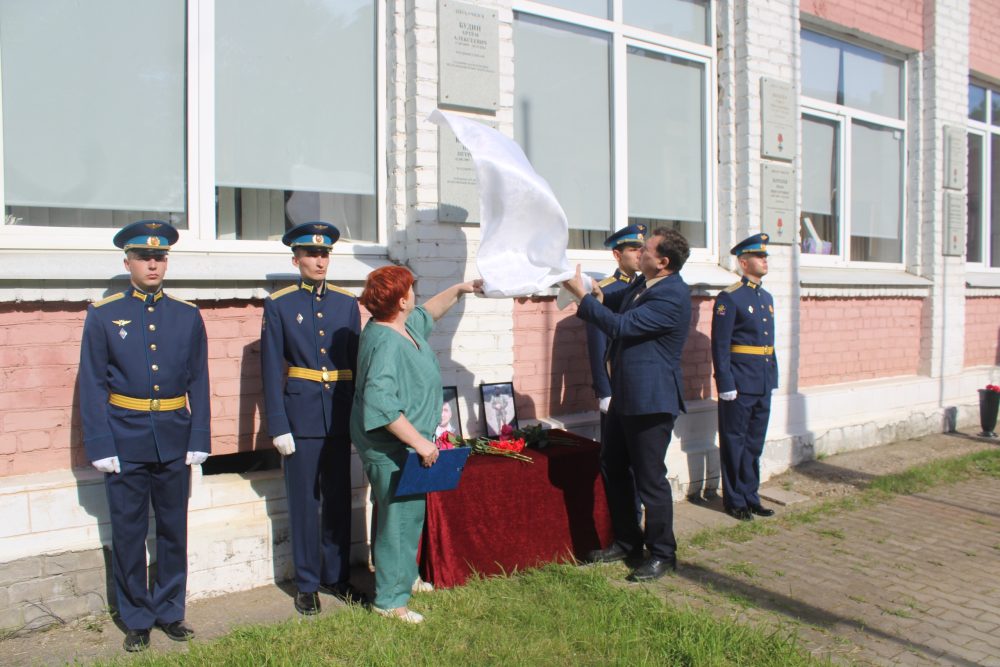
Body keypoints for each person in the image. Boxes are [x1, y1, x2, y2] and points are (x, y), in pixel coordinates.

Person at [78, 220, 210, 652]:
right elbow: (93, 383)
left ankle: (170, 610)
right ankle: (136, 616)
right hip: (125, 439)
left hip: (173, 434)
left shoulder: (187, 315)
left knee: (174, 529)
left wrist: (199, 437)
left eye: (160, 257)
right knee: (130, 532)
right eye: (144, 258)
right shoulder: (102, 315)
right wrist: (100, 445)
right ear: (127, 261)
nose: (153, 265)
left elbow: (199, 381)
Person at [351, 265, 481, 623]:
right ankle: (390, 602)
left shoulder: (401, 325)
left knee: (408, 515)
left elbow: (429, 314)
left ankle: (404, 578)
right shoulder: (385, 342)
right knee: (398, 519)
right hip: (392, 446)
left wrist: (461, 288)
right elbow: (381, 405)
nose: (416, 296)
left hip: (407, 446)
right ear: (402, 299)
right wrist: (422, 446)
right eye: (412, 290)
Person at [562, 227, 691, 582]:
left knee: (650, 479)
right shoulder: (643, 285)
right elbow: (617, 304)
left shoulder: (672, 295)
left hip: (651, 401)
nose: (638, 253)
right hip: (626, 396)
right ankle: (627, 541)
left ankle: (663, 553)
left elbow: (621, 327)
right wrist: (595, 292)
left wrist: (585, 300)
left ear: (662, 262)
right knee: (614, 467)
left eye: (645, 249)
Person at [260, 221, 363, 615]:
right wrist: (278, 424)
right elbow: (271, 369)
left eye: (324, 254)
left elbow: (353, 364)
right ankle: (306, 583)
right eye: (311, 254)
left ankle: (336, 576)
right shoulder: (280, 304)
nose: (319, 261)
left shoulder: (346, 303)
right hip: (300, 416)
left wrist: (357, 415)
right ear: (296, 259)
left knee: (338, 498)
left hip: (338, 413)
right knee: (304, 501)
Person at [711, 233, 779, 521]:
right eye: (759, 256)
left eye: (765, 256)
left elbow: (768, 343)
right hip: (739, 383)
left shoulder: (766, 297)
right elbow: (720, 345)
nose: (765, 260)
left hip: (761, 381)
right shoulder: (730, 298)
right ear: (743, 261)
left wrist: (771, 378)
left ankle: (751, 495)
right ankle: (734, 499)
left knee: (754, 442)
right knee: (735, 441)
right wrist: (725, 384)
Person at [585, 224, 645, 524]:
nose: (640, 254)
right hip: (616, 386)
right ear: (617, 254)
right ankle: (623, 518)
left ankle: (636, 512)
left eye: (642, 248)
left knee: (640, 457)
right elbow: (597, 343)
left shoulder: (644, 288)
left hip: (638, 385)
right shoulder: (605, 290)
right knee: (618, 459)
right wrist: (603, 389)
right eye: (634, 249)